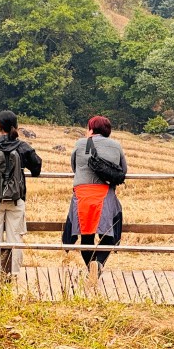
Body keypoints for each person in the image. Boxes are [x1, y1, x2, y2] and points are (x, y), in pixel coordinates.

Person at [0, 110, 42, 277]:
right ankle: (13, 273)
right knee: (16, 237)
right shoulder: (22, 147)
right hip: (16, 199)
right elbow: (37, 167)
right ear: (15, 125)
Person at [64, 115, 127, 272]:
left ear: (91, 129)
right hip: (105, 194)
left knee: (86, 236)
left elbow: (74, 167)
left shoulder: (81, 143)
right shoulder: (116, 145)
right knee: (108, 234)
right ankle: (97, 264)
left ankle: (92, 268)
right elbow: (123, 170)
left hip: (82, 194)